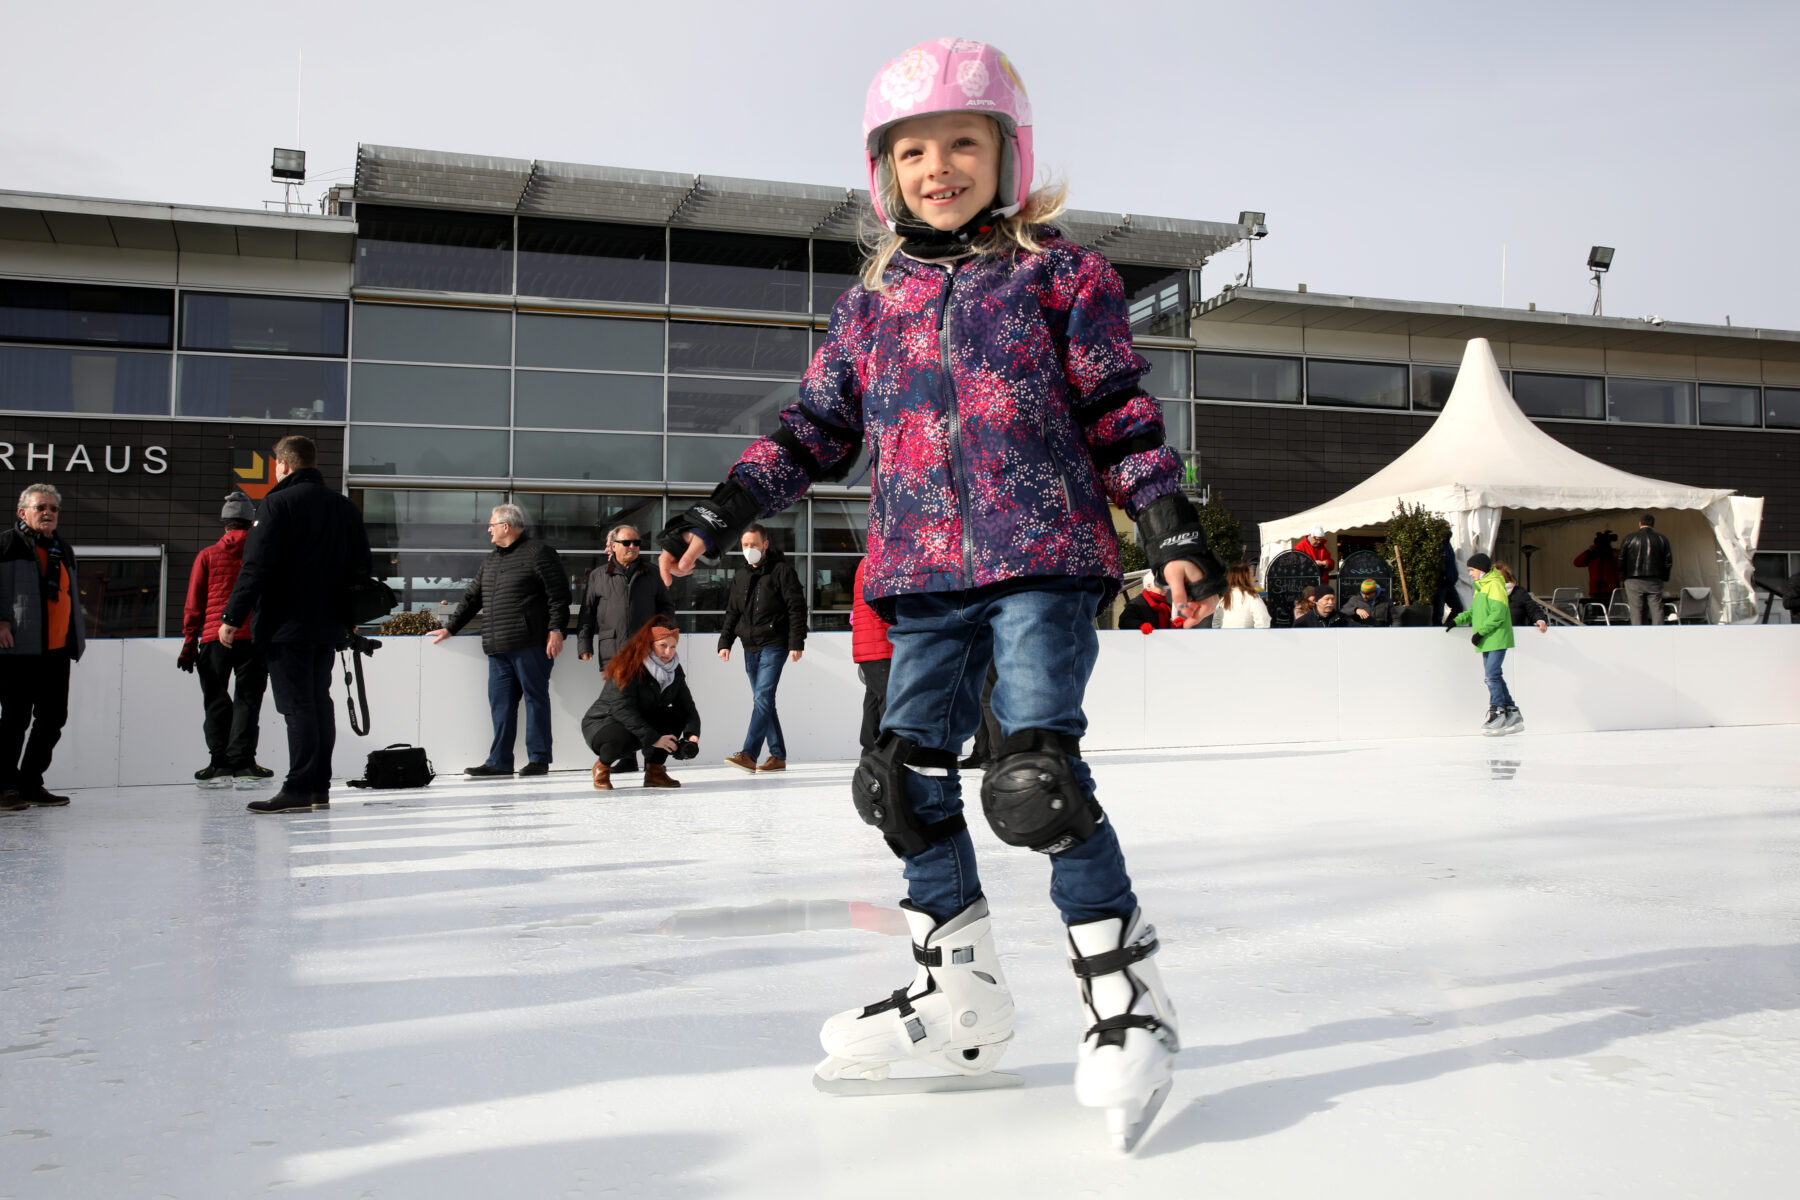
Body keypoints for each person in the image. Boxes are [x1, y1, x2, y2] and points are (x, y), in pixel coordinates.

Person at [658, 39, 1219, 1149]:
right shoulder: (871, 304)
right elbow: (813, 430)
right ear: (884, 173)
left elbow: (1120, 415)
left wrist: (1167, 527)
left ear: (1008, 157)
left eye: (962, 142)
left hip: (1041, 557)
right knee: (904, 788)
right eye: (913, 150)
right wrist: (718, 511)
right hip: (920, 573)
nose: (938, 166)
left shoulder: (1063, 275)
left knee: (1033, 782)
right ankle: (958, 994)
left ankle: (1125, 994)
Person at [218, 437, 371, 814]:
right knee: (320, 703)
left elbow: (256, 566)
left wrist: (231, 617)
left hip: (287, 624)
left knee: (297, 706)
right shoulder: (344, 507)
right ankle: (319, 787)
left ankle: (299, 787)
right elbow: (362, 567)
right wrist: (349, 618)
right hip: (330, 624)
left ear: (283, 465)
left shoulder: (277, 503)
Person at [431, 503, 570, 778]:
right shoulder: (492, 560)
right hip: (497, 646)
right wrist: (450, 629)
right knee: (501, 705)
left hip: (530, 643)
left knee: (535, 699)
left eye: (492, 525)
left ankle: (539, 759)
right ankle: (500, 762)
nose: (488, 530)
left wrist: (556, 630)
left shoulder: (539, 553)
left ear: (506, 526)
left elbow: (559, 595)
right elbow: (472, 597)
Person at [180, 491, 273, 789]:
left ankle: (218, 764)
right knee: (248, 701)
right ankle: (244, 763)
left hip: (212, 639)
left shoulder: (207, 555)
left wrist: (188, 645)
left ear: (224, 524)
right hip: (254, 638)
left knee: (216, 701)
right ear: (251, 522)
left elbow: (194, 604)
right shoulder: (262, 554)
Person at [0, 483, 84, 810]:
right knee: (15, 720)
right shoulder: (7, 544)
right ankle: (5, 786)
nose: (47, 513)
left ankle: (30, 783)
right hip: (18, 650)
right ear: (23, 512)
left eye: (53, 508)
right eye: (40, 507)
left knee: (52, 718)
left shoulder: (63, 549)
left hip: (56, 650)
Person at [577, 522, 673, 773]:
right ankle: (627, 757)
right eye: (627, 543)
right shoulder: (599, 575)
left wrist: (662, 637)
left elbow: (666, 607)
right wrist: (584, 643)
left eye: (637, 543)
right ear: (612, 546)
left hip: (646, 652)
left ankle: (652, 762)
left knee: (648, 705)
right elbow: (586, 614)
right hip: (614, 651)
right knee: (620, 706)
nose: (633, 547)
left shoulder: (651, 573)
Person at [716, 524, 805, 773]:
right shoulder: (741, 575)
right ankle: (777, 756)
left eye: (754, 544)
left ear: (765, 544)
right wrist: (725, 642)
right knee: (763, 701)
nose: (749, 549)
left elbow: (796, 608)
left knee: (762, 698)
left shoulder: (782, 572)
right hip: (749, 645)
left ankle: (749, 754)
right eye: (745, 545)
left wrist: (796, 642)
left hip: (774, 644)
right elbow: (733, 611)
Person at [580, 614, 700, 791]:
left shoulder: (674, 670)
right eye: (663, 646)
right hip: (604, 722)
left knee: (676, 716)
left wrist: (692, 736)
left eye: (673, 646)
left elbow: (687, 706)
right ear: (649, 644)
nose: (669, 652)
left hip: (641, 720)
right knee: (625, 737)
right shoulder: (628, 665)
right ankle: (602, 766)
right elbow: (621, 709)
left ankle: (655, 771)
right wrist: (655, 738)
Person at [1447, 552, 1521, 735]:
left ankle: (1497, 712)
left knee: (1491, 676)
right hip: (1488, 639)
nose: (1470, 573)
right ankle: (1511, 711)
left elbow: (1498, 613)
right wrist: (1456, 620)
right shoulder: (1481, 586)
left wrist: (1481, 632)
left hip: (1496, 637)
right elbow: (1474, 611)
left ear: (1480, 569)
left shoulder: (1495, 584)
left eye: (1472, 570)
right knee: (1495, 675)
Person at [851, 556, 893, 753]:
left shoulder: (867, 561)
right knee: (887, 697)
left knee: (873, 698)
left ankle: (870, 749)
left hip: (869, 643)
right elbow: (886, 604)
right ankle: (886, 749)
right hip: (880, 641)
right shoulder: (882, 561)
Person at [1619, 513, 1673, 626]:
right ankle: (1659, 632)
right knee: (1656, 608)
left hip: (1633, 579)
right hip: (1654, 579)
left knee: (1636, 609)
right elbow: (1668, 561)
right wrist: (1664, 577)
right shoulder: (1662, 538)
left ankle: (1638, 634)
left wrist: (1623, 578)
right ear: (1653, 524)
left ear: (1640, 524)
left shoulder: (1629, 538)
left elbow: (1621, 559)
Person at [1212, 562, 1271, 629]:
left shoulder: (1224, 599)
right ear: (1245, 579)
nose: (1255, 579)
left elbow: (1216, 624)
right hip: (1247, 638)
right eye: (1252, 576)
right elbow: (1263, 622)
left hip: (1226, 638)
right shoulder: (1252, 597)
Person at [1494, 561, 1550, 632]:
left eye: (1499, 578)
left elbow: (1534, 610)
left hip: (1518, 635)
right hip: (1494, 637)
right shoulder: (1485, 593)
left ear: (1507, 578)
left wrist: (1540, 620)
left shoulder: (1519, 592)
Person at [1574, 529, 1623, 598]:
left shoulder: (1613, 554)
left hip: (1607, 589)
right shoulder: (1593, 555)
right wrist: (1589, 551)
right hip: (1601, 589)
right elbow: (1577, 563)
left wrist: (1589, 551)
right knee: (1610, 608)